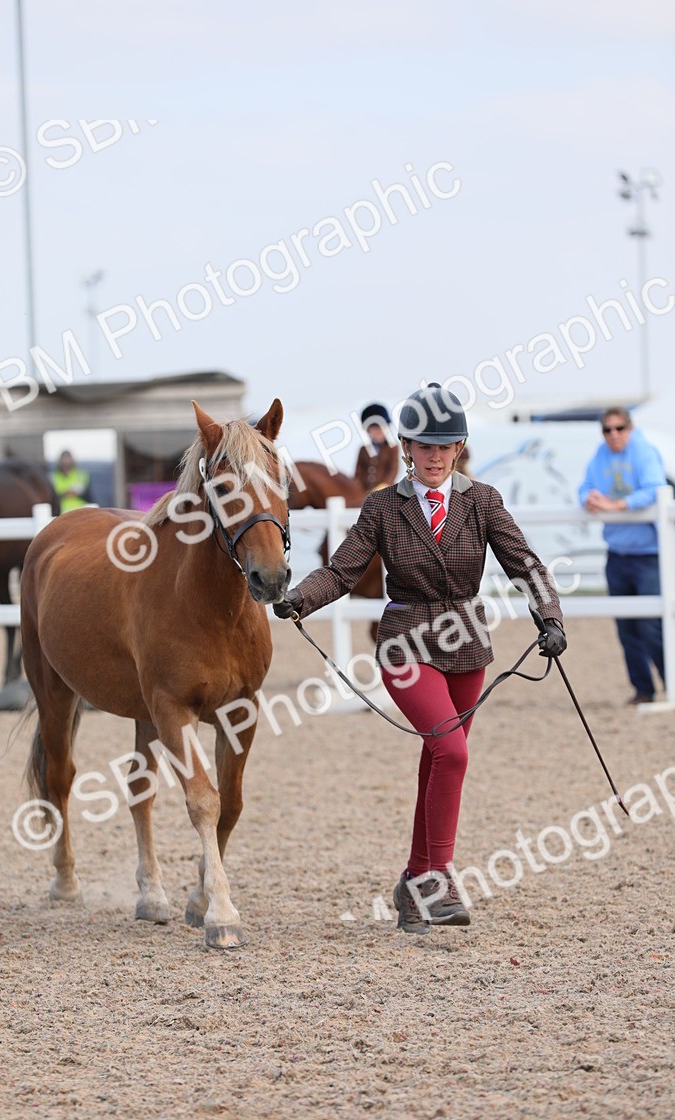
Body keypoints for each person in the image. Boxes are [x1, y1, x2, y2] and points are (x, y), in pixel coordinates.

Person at [274, 382, 566, 935]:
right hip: (406, 643)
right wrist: (300, 598)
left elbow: (524, 563)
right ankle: (438, 880)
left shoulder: (482, 502)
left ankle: (413, 881)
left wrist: (549, 616)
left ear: (458, 448)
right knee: (452, 752)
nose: (434, 456)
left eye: (444, 446)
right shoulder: (383, 506)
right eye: (423, 446)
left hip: (467, 645)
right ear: (406, 447)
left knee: (438, 761)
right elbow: (342, 570)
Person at [578, 406, 666, 705]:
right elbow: (585, 487)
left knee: (652, 626)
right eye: (607, 429)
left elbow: (657, 489)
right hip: (617, 553)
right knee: (627, 628)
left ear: (630, 427)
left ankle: (670, 683)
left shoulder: (644, 451)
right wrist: (588, 498)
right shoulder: (600, 455)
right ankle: (643, 691)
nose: (613, 434)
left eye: (619, 428)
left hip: (648, 555)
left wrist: (617, 505)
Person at [354, 403, 399, 493]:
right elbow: (358, 472)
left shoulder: (392, 448)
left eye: (380, 427)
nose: (377, 431)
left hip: (385, 491)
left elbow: (392, 470)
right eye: (374, 428)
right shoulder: (363, 449)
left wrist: (383, 486)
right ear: (368, 430)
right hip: (364, 492)